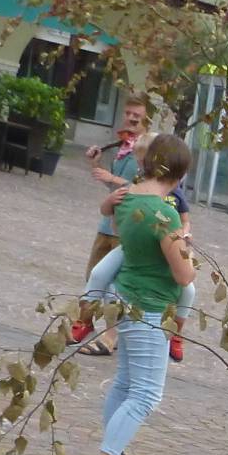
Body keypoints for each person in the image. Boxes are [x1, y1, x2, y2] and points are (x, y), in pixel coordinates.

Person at [82, 135, 198, 455]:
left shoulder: (128, 197)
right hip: (149, 306)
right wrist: (185, 247)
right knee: (146, 393)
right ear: (178, 173)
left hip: (126, 296)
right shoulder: (163, 214)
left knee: (125, 383)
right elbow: (184, 276)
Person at [80, 137, 199, 365]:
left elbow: (182, 220)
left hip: (137, 274)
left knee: (188, 292)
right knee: (145, 392)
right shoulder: (141, 198)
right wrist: (187, 253)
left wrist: (181, 234)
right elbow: (184, 275)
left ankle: (176, 332)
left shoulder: (151, 197)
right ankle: (86, 316)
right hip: (149, 301)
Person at [74, 96, 149, 355]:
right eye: (128, 113)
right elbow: (115, 187)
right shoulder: (122, 147)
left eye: (137, 115)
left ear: (147, 119)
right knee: (93, 275)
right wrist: (97, 166)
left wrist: (112, 177)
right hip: (107, 224)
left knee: (115, 283)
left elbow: (145, 189)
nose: (131, 118)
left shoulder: (147, 151)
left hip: (127, 227)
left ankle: (110, 336)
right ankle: (85, 322)